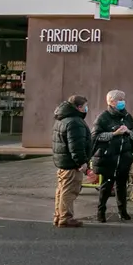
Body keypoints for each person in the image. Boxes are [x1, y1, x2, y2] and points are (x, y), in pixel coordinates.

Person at [91, 89, 133, 223]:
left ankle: (123, 211)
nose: (123, 102)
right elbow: (95, 136)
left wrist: (128, 131)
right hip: (109, 157)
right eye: (120, 100)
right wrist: (114, 134)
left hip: (124, 157)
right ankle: (101, 212)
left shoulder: (127, 116)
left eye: (123, 99)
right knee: (106, 185)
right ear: (111, 102)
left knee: (122, 185)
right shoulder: (103, 117)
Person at [51, 94, 91, 228]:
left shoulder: (62, 118)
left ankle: (58, 215)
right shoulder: (75, 122)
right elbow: (76, 146)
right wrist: (82, 162)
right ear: (79, 107)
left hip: (62, 161)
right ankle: (65, 217)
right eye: (85, 106)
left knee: (61, 189)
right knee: (69, 191)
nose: (86, 109)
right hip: (71, 163)